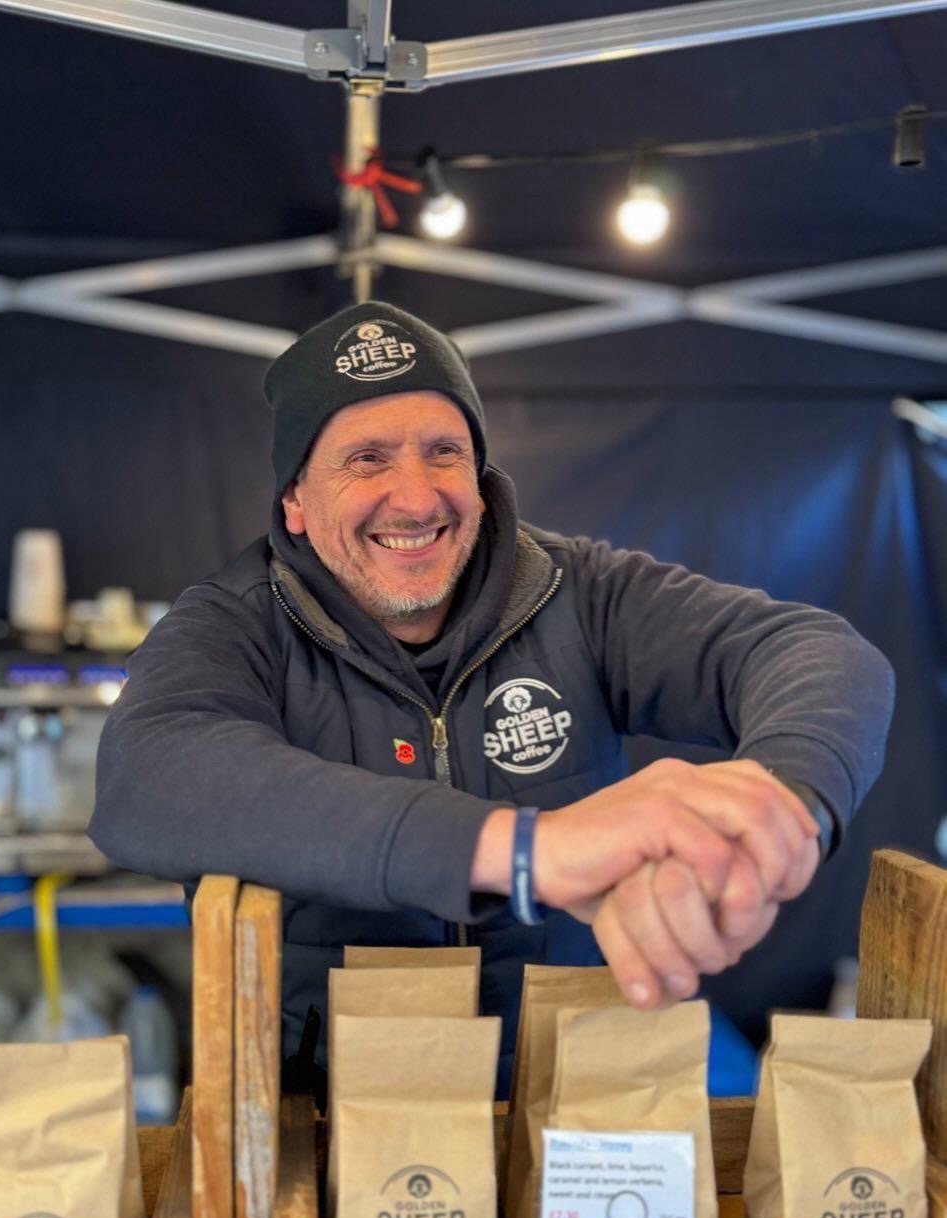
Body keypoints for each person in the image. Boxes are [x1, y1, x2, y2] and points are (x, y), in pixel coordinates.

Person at [89, 301, 894, 1087]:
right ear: (295, 501)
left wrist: (778, 807)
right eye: (366, 459)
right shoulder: (234, 626)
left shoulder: (579, 593)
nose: (415, 497)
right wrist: (523, 852)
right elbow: (150, 774)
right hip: (328, 1106)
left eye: (443, 452)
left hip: (572, 1094)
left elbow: (815, 654)